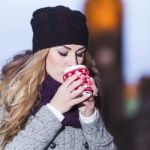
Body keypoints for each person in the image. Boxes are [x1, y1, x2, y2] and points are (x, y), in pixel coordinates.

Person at [0, 6, 116, 150]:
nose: (73, 62)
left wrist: (90, 116)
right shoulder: (12, 91)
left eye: (79, 54)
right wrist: (54, 110)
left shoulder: (90, 92)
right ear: (42, 54)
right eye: (63, 53)